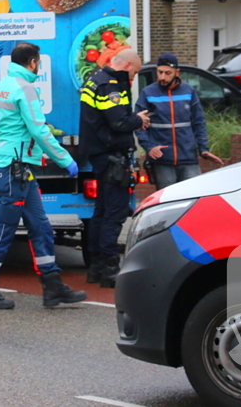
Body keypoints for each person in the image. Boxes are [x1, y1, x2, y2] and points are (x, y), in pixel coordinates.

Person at [0, 41, 87, 310]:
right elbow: (39, 130)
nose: (39, 68)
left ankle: (53, 286)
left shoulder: (2, 87)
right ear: (33, 62)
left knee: (41, 226)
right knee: (3, 230)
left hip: (15, 170)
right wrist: (66, 160)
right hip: (15, 171)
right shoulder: (25, 89)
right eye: (39, 63)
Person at [79, 48, 150, 288]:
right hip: (112, 156)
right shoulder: (110, 86)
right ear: (127, 64)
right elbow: (118, 121)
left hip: (101, 155)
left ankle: (96, 268)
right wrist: (139, 120)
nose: (133, 78)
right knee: (114, 213)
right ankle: (110, 269)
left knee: (100, 212)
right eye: (135, 72)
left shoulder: (94, 80)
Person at [136, 53, 224, 192]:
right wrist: (149, 147)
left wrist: (203, 149)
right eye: (160, 72)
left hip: (188, 157)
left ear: (177, 72)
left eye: (167, 73)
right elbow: (139, 124)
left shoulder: (188, 91)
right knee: (166, 199)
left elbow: (198, 121)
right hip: (162, 160)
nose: (163, 77)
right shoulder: (148, 92)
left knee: (192, 197)